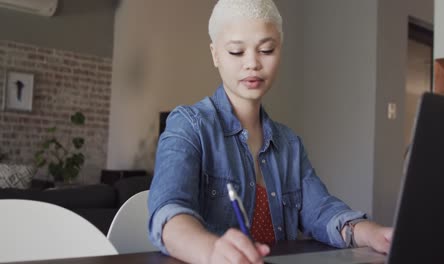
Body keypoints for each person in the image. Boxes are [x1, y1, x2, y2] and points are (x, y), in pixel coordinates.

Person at [148, 0, 393, 263]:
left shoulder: (288, 144)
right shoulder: (189, 125)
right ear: (215, 54)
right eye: (236, 52)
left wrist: (371, 233)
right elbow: (169, 212)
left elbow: (321, 211)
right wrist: (211, 250)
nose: (252, 63)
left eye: (266, 49)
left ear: (280, 50)